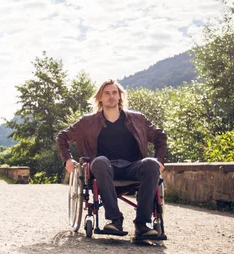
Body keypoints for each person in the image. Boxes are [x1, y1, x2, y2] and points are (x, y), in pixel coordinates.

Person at [56, 79, 167, 238]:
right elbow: (62, 137)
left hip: (132, 167)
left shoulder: (137, 119)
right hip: (104, 169)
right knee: (100, 161)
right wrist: (67, 159)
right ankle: (115, 220)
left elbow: (160, 136)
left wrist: (160, 160)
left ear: (120, 97)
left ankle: (143, 224)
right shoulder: (87, 122)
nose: (111, 96)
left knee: (151, 163)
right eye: (106, 93)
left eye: (114, 93)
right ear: (100, 98)